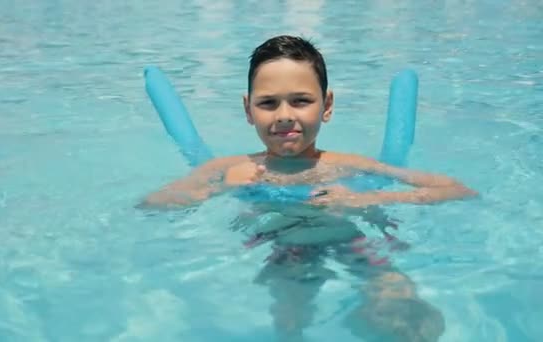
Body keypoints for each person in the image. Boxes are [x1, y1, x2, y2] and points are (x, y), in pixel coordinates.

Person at [140, 35, 478, 341]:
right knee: (290, 317)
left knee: (402, 306)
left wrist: (366, 198)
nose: (284, 115)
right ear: (248, 109)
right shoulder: (228, 169)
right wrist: (216, 190)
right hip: (282, 246)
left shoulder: (346, 165)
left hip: (349, 239)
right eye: (268, 103)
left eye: (300, 100)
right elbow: (152, 204)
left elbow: (455, 189)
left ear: (327, 105)